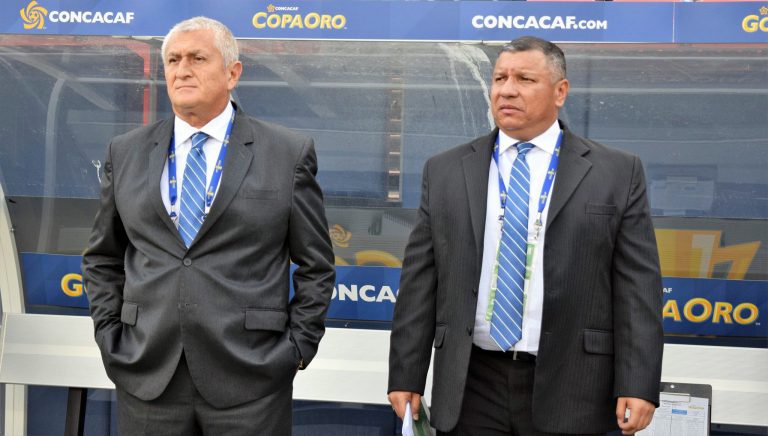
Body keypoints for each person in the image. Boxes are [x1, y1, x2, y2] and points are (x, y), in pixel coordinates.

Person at [388, 36, 663, 436]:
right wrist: (406, 374)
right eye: (500, 78)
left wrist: (638, 384)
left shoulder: (616, 173)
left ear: (560, 92)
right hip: (470, 384)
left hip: (572, 384)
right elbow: (419, 282)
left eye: (525, 79)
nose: (507, 90)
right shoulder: (445, 171)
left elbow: (637, 288)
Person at [82, 16, 335, 435]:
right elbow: (102, 258)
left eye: (198, 58)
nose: (182, 70)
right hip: (147, 377)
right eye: (173, 60)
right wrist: (110, 337)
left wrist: (297, 349)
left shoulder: (287, 153)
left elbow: (317, 266)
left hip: (252, 379)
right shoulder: (125, 152)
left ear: (233, 73)